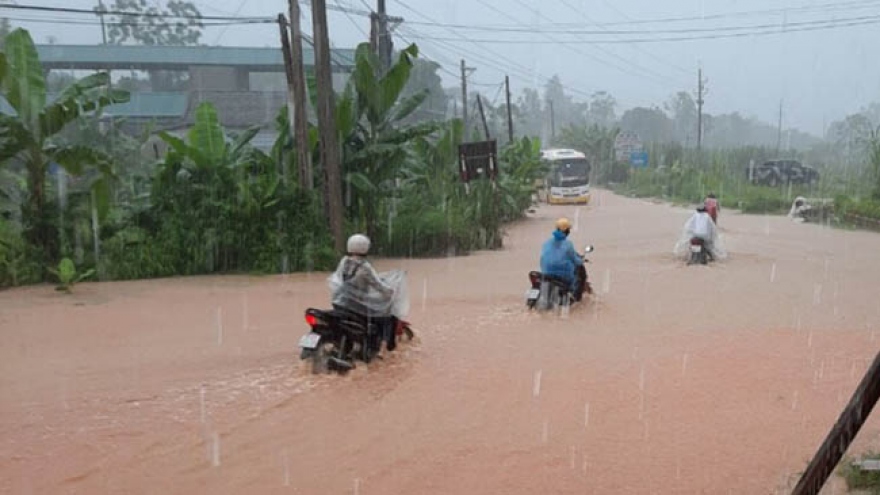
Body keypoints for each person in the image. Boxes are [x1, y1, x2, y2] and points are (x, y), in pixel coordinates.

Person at [330, 234, 399, 352]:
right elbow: (378, 285)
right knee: (390, 316)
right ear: (365, 247)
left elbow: (341, 280)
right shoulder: (365, 266)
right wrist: (390, 292)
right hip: (357, 305)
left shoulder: (344, 262)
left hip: (340, 302)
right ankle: (386, 349)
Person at [540, 217, 585, 301]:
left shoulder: (546, 243)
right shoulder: (568, 244)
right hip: (563, 276)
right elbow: (575, 260)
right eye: (568, 229)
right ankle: (575, 298)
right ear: (567, 231)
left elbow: (542, 258)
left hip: (546, 274)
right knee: (576, 280)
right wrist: (582, 261)